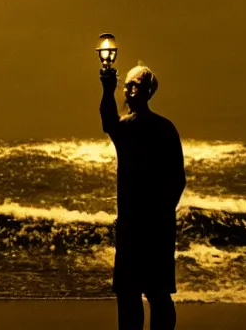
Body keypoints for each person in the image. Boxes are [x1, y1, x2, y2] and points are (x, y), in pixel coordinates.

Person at [100, 62, 186, 330]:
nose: (130, 89)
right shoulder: (125, 127)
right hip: (130, 224)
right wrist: (107, 89)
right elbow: (108, 122)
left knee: (157, 293)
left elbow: (178, 179)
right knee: (128, 293)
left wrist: (161, 213)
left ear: (148, 90)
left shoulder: (164, 128)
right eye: (128, 85)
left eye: (135, 84)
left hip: (155, 225)